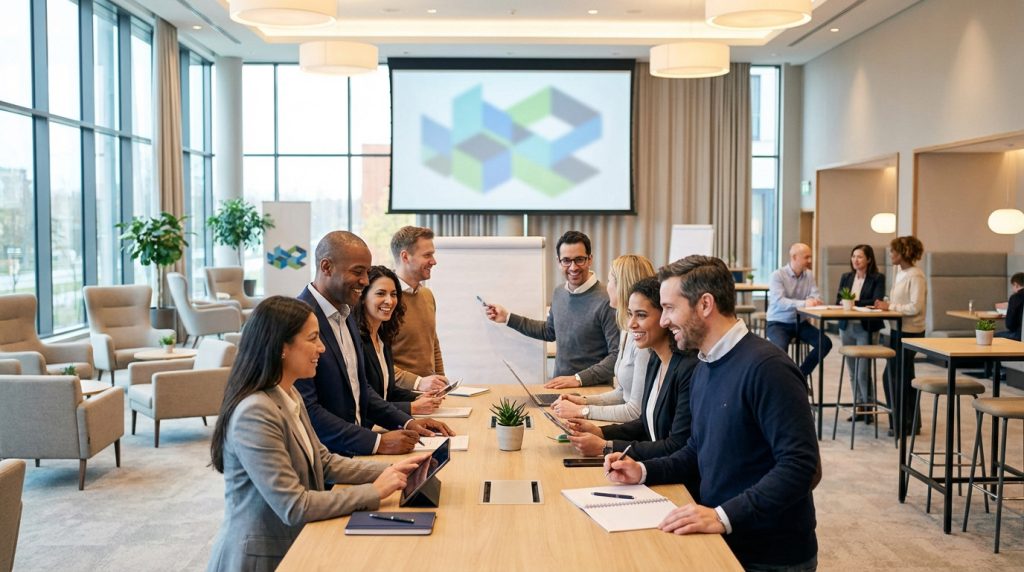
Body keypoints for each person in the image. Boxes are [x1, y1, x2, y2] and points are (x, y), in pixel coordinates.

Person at [604, 255, 819, 571]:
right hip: (722, 538)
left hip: (769, 555)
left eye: (669, 308)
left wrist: (723, 515)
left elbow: (803, 468)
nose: (663, 321)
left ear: (705, 304)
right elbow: (697, 448)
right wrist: (644, 471)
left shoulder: (768, 369)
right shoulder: (705, 363)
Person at [207, 296, 429, 571]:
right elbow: (294, 505)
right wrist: (374, 491)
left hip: (294, 544)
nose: (322, 348)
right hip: (261, 558)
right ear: (281, 348)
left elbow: (323, 462)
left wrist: (395, 471)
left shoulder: (289, 393)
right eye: (313, 339)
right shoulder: (255, 413)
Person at [296, 231, 453, 457]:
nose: (364, 281)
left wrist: (407, 423)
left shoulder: (346, 315)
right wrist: (377, 442)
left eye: (367, 273)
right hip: (323, 460)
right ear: (326, 267)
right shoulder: (299, 318)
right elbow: (307, 409)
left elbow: (361, 390)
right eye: (358, 272)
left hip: (353, 452)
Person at [564, 277, 698, 461]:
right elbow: (645, 423)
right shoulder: (655, 360)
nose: (631, 324)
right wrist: (600, 432)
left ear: (665, 317)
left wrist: (606, 447)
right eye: (630, 314)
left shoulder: (687, 369)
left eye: (641, 315)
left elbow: (675, 445)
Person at [484, 230, 619, 389]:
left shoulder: (608, 300)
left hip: (595, 394)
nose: (573, 267)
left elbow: (617, 357)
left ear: (590, 259)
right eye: (566, 261)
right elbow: (549, 331)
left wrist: (577, 379)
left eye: (579, 260)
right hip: (560, 390)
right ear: (559, 262)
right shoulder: (559, 292)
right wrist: (507, 317)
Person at [552, 254, 655, 422]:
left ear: (622, 286)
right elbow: (623, 393)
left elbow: (635, 411)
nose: (607, 287)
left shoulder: (643, 341)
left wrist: (583, 410)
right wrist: (584, 401)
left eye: (610, 281)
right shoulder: (626, 331)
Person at [355, 265, 443, 415]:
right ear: (363, 297)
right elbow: (364, 399)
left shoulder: (383, 337)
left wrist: (418, 397)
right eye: (381, 293)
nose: (389, 301)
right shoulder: (355, 340)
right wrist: (411, 407)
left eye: (394, 294)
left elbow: (388, 392)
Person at [873, 235, 927, 437]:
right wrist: (886, 303)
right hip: (897, 328)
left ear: (902, 253)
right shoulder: (901, 273)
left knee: (897, 377)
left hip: (910, 331)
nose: (890, 255)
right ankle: (906, 422)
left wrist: (891, 306)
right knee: (899, 377)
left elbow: (916, 306)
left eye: (893, 251)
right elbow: (900, 300)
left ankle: (903, 423)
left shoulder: (916, 275)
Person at [389, 226, 449, 392]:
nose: (434, 261)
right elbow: (376, 364)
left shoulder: (427, 295)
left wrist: (441, 385)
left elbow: (433, 343)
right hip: (399, 401)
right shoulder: (385, 301)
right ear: (405, 256)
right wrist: (417, 383)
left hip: (430, 397)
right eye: (427, 255)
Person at [834, 245, 886, 422]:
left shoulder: (877, 278)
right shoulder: (846, 277)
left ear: (869, 259)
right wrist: (848, 302)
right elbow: (838, 300)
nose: (855, 260)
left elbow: (876, 300)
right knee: (852, 369)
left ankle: (868, 408)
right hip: (846, 326)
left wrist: (853, 301)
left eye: (860, 257)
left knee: (863, 371)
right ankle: (859, 406)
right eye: (853, 256)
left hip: (866, 327)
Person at [766, 242, 833, 378]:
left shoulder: (809, 275)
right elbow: (779, 302)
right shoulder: (777, 275)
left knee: (825, 343)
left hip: (800, 323)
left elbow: (815, 295)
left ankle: (799, 376)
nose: (809, 261)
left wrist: (814, 300)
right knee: (779, 351)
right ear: (794, 257)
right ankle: (781, 385)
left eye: (810, 257)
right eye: (806, 257)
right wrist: (805, 303)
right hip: (778, 323)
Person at [995, 272, 1024, 340]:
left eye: (1012, 286)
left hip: (1020, 335)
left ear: (1016, 285)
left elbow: (1010, 325)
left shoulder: (1015, 297)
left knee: (993, 336)